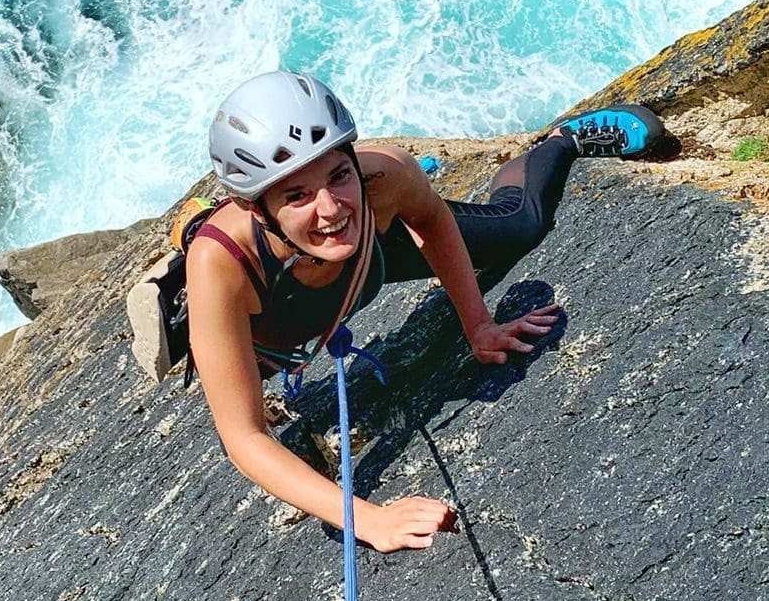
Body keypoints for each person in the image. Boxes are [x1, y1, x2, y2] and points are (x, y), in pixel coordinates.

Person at [185, 70, 663, 552]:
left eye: (338, 175)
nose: (329, 208)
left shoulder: (384, 177)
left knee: (520, 228)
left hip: (373, 249)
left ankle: (561, 140)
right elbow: (244, 437)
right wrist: (368, 520)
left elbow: (432, 220)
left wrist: (477, 324)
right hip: (277, 297)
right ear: (256, 208)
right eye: (296, 195)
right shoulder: (220, 265)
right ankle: (191, 229)